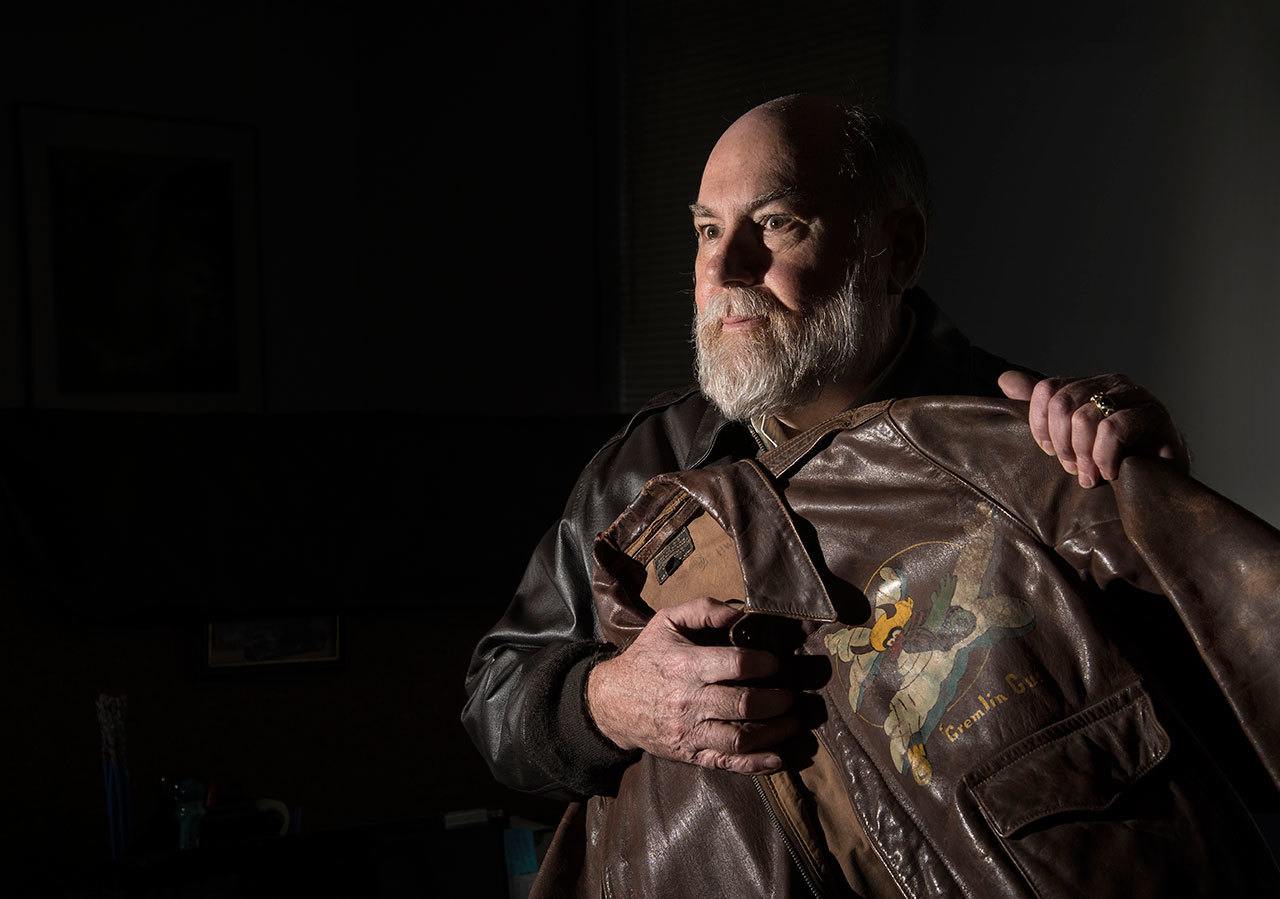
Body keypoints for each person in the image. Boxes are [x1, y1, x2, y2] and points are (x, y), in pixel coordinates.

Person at [461, 96, 1230, 893]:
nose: (725, 270)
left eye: (779, 223)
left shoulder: (1024, 445)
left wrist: (1152, 495)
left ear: (895, 250)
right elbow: (498, 694)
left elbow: (1212, 717)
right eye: (707, 230)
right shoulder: (644, 465)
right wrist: (607, 700)